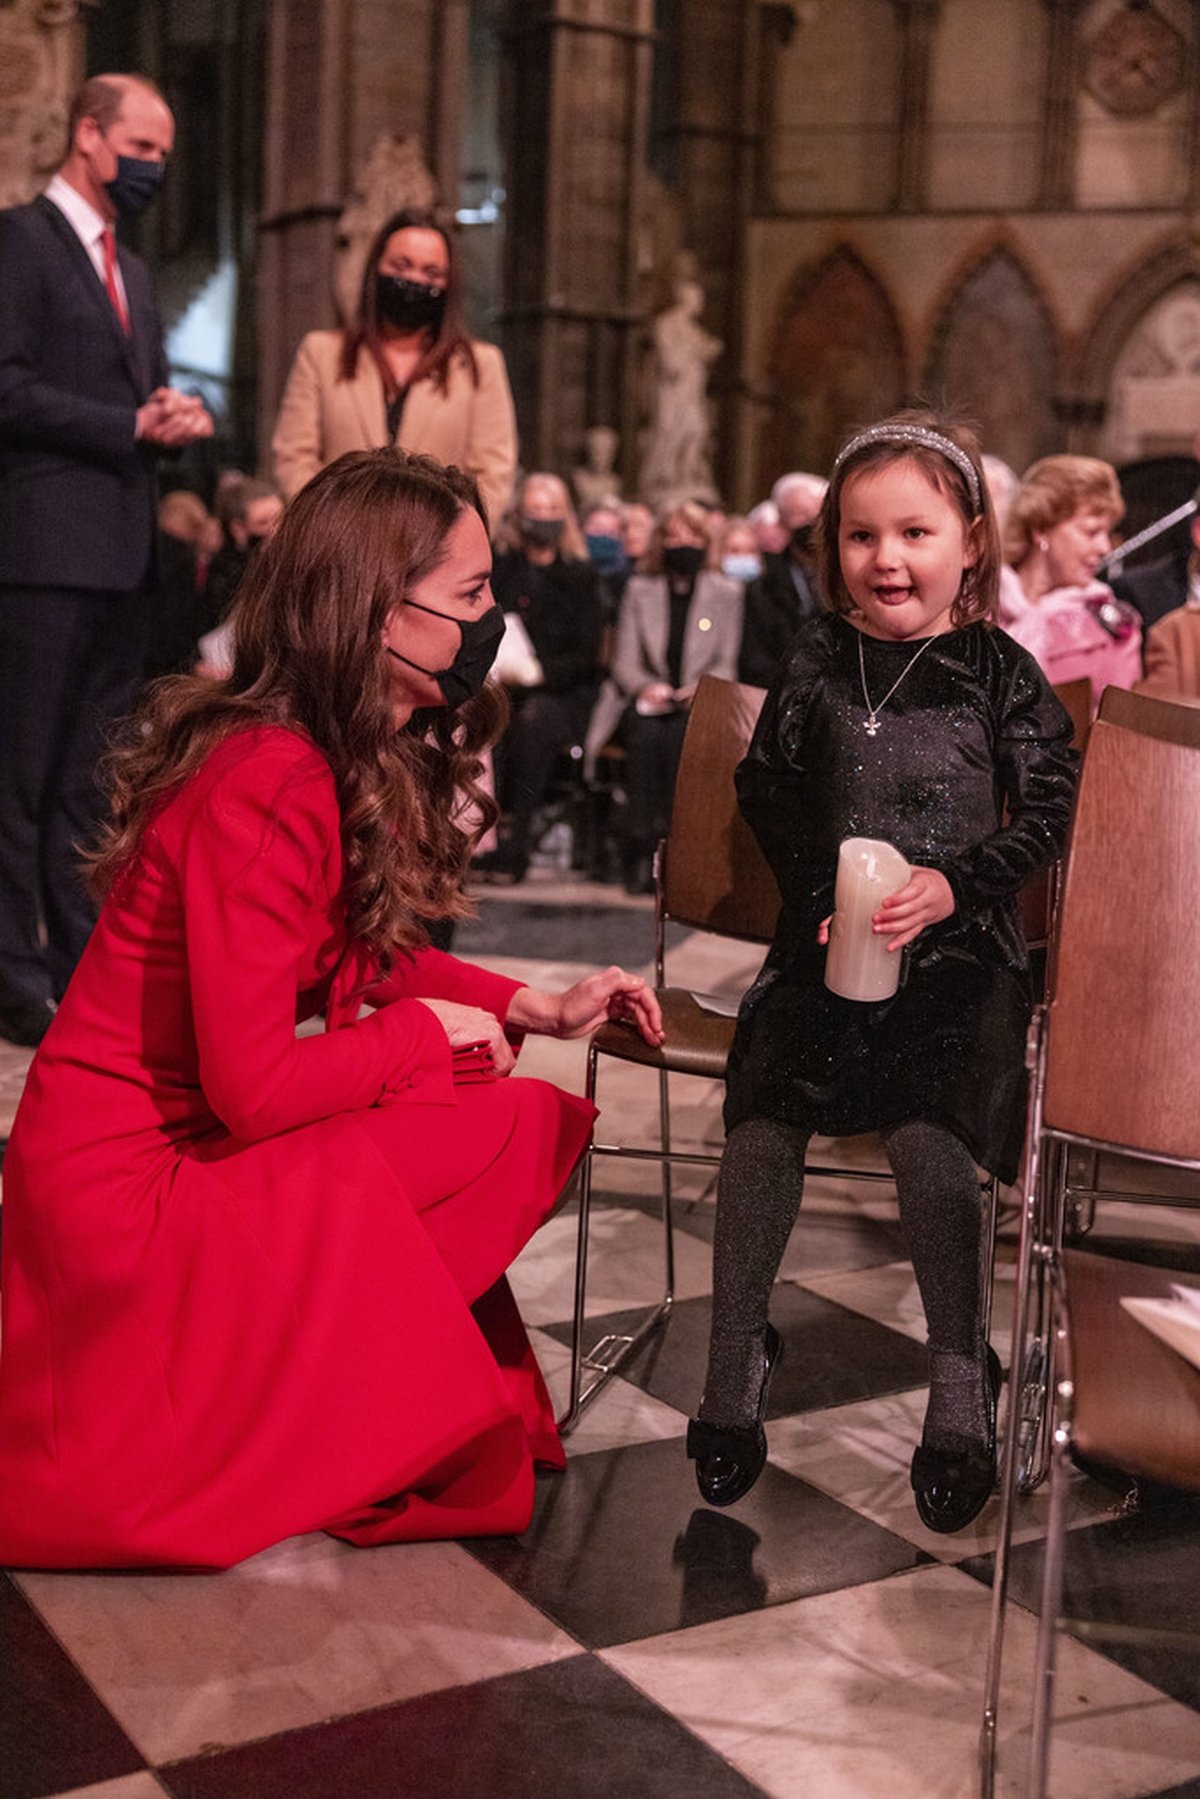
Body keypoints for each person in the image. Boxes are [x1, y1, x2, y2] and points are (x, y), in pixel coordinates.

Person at [0, 448, 662, 1570]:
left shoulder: (313, 751)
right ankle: (328, 1409)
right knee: (496, 1120)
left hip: (161, 1149)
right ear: (372, 612)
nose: (493, 618)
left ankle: (340, 1391)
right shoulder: (271, 775)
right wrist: (417, 1041)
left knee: (487, 1097)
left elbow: (365, 963)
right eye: (469, 596)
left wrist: (537, 1005)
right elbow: (256, 1090)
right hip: (122, 1190)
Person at [686, 413, 1076, 1533]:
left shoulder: (999, 668)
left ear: (970, 542)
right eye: (861, 536)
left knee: (924, 1132)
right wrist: (816, 893)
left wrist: (958, 882)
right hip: (832, 942)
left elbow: (1051, 804)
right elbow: (767, 782)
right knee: (763, 1116)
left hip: (960, 954)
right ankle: (733, 1353)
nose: (886, 558)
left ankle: (961, 1376)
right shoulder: (817, 653)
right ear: (833, 549)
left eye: (914, 531)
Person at [0, 72, 213, 1049]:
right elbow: (7, 389)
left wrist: (172, 416)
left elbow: (142, 396)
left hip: (122, 555)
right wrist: (123, 422)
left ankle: (80, 967)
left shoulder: (129, 266)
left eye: (164, 153)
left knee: (92, 782)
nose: (154, 166)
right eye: (143, 146)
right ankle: (12, 972)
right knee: (22, 776)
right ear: (90, 135)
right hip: (41, 551)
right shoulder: (21, 242)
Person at [271, 206, 517, 529]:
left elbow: (493, 474)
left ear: (448, 284)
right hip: (339, 544)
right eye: (402, 266)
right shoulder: (320, 353)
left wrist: (447, 543)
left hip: (437, 552)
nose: (414, 280)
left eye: (431, 273)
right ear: (377, 270)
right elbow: (294, 459)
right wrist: (340, 531)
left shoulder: (481, 364)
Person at [585, 500, 743, 893]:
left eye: (692, 535)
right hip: (643, 700)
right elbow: (624, 662)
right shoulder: (640, 589)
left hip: (697, 700)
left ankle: (680, 856)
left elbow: (726, 661)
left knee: (682, 739)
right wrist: (646, 687)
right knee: (647, 736)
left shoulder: (727, 592)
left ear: (707, 541)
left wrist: (700, 688)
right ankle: (640, 850)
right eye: (673, 535)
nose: (682, 543)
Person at [482, 474, 605, 882]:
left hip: (561, 691)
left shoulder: (580, 576)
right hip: (503, 683)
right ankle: (481, 840)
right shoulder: (501, 568)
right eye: (536, 510)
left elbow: (586, 654)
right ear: (520, 514)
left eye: (553, 510)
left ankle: (516, 846)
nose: (544, 518)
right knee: (483, 718)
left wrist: (539, 674)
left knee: (532, 722)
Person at [999, 454, 1141, 710]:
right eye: (1091, 531)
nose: (1104, 547)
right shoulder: (974, 609)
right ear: (1042, 528)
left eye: (1107, 533)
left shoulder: (1112, 630)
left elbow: (1118, 740)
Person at [736, 472, 825, 689]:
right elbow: (755, 659)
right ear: (782, 521)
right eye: (801, 515)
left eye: (817, 513)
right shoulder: (763, 587)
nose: (811, 522)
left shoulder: (852, 575)